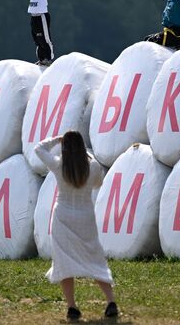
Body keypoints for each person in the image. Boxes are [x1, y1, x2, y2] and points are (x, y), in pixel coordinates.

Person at [34, 131, 118, 321]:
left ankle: (72, 306)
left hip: (63, 215)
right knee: (94, 257)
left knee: (64, 261)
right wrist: (89, 155)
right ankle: (110, 301)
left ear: (64, 147)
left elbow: (38, 148)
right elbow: (98, 184)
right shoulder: (93, 166)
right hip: (85, 215)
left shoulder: (58, 164)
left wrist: (56, 140)